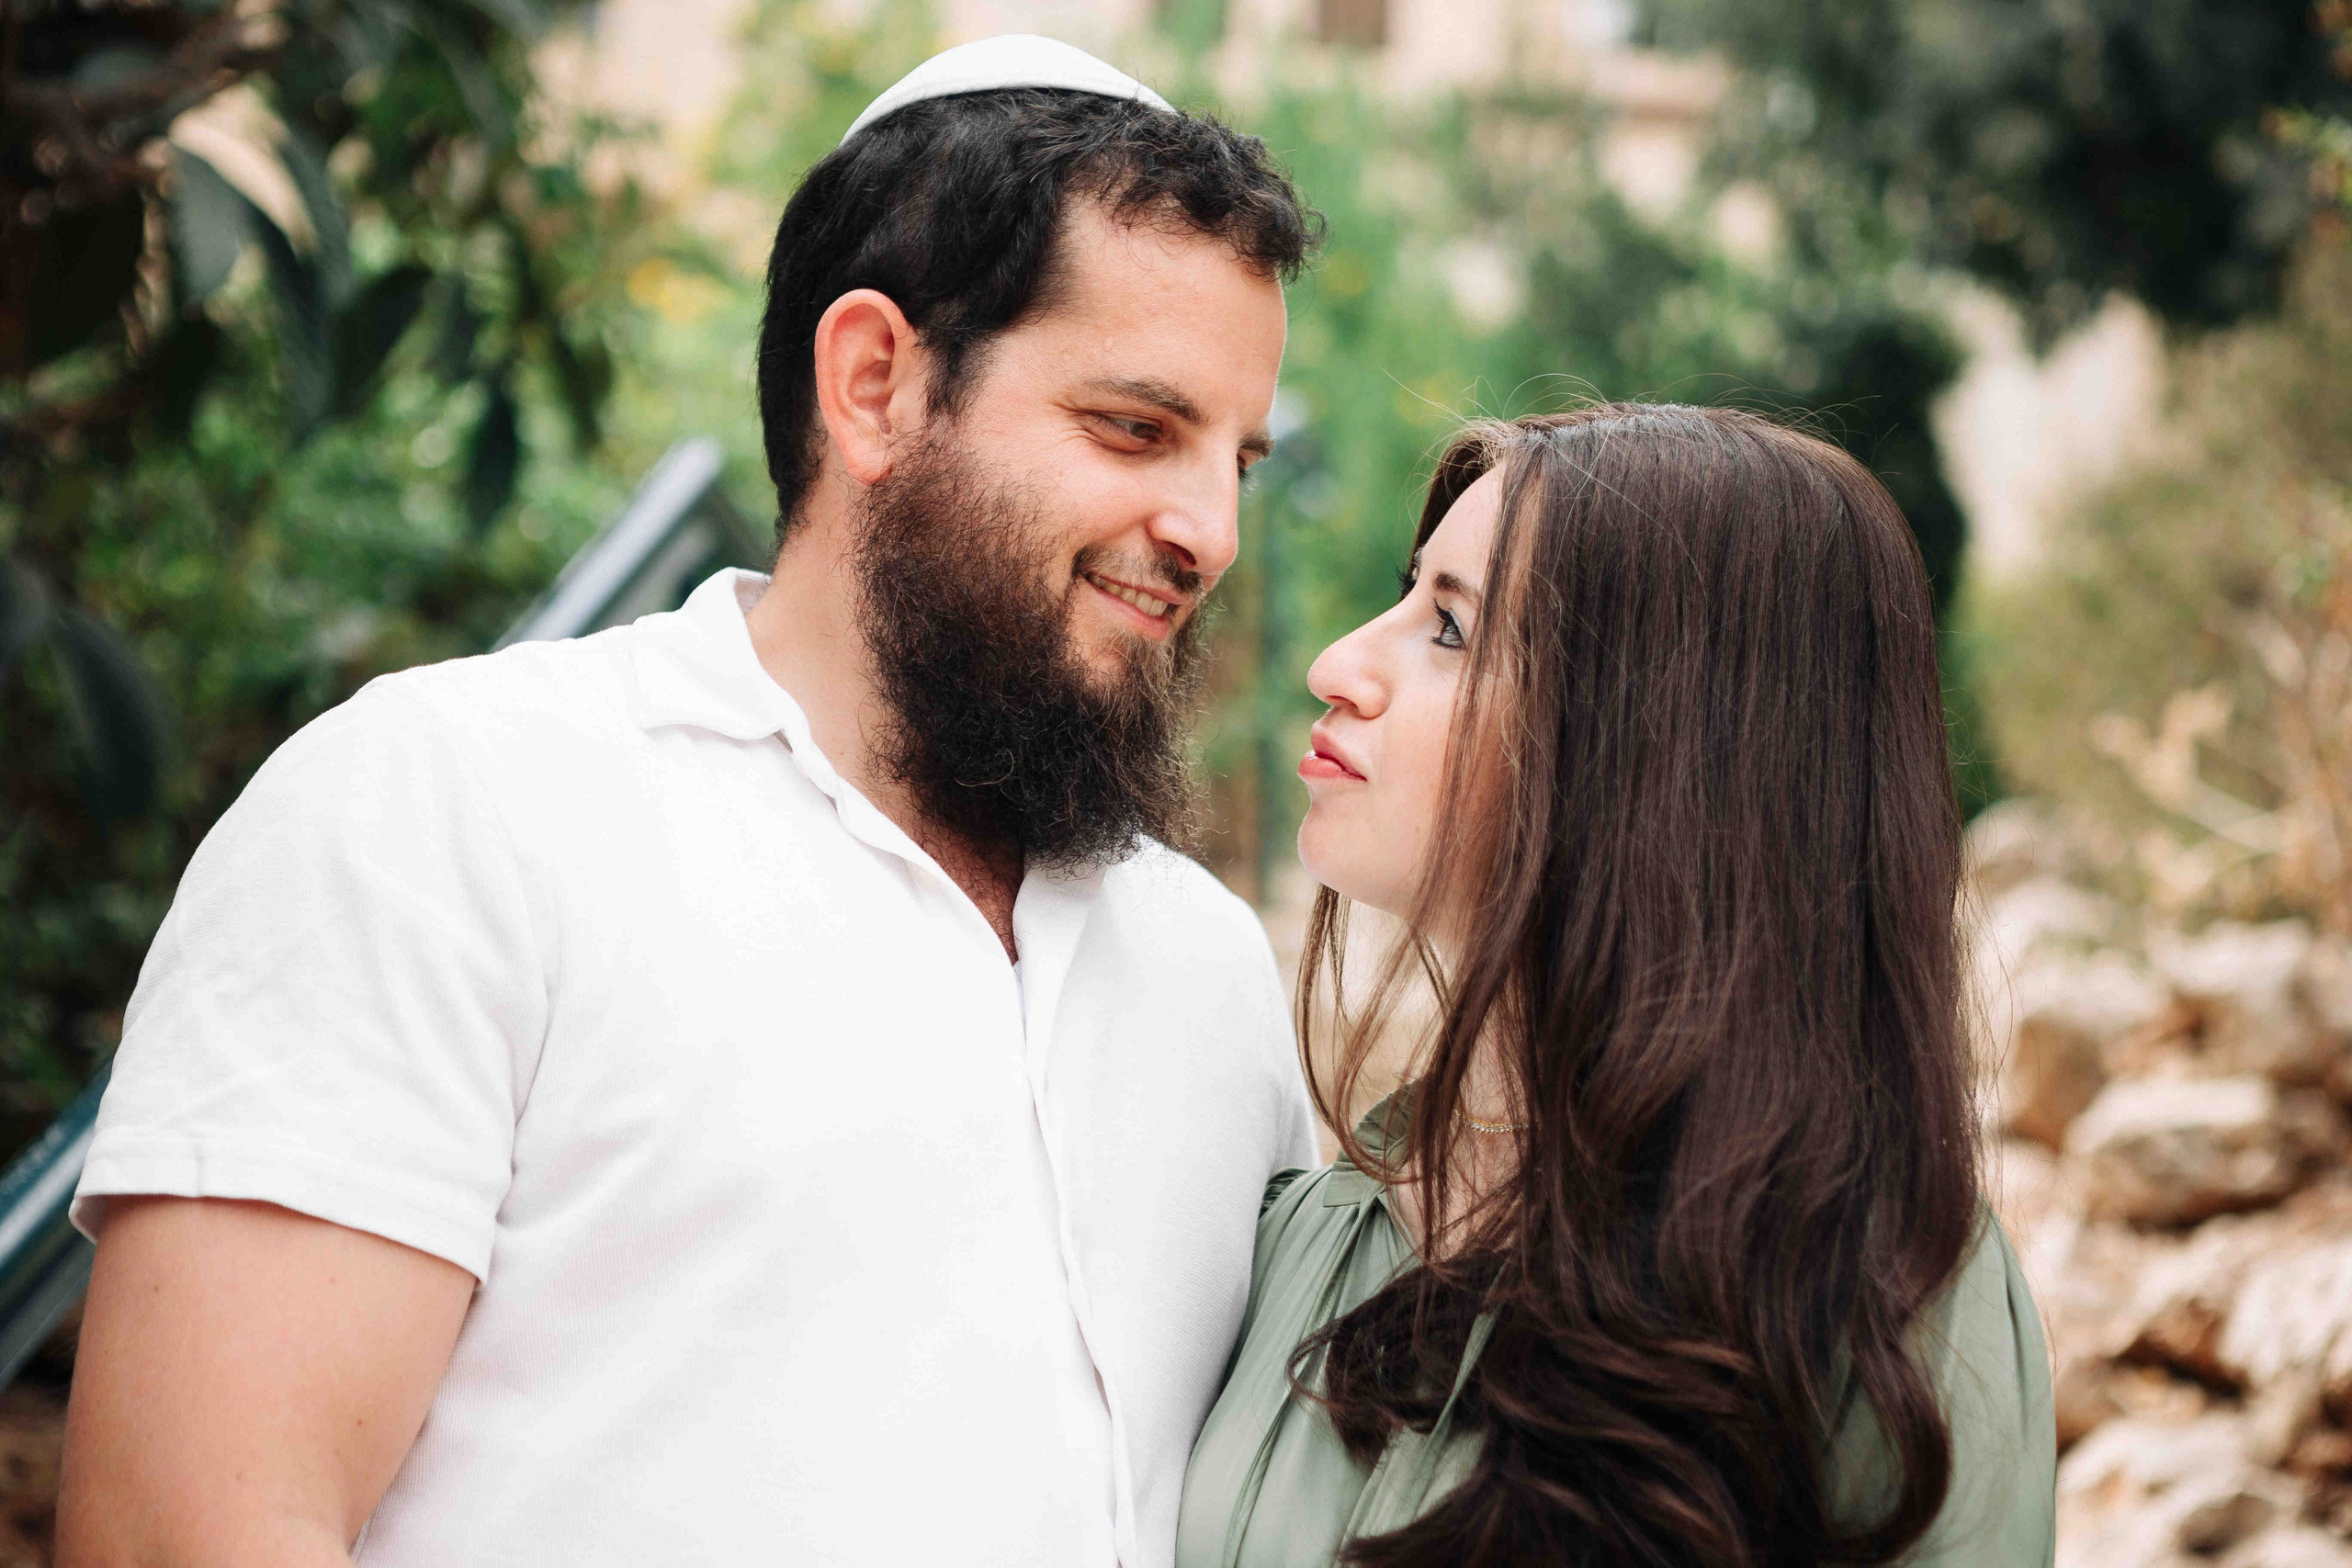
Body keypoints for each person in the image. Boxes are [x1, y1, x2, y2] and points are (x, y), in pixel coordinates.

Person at [60, 37, 1321, 1568]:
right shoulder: (444, 810)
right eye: (1135, 427)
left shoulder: (1207, 968)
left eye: (1237, 460)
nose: (1209, 531)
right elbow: (185, 1533)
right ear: (875, 383)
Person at [1178, 405, 2057, 1568]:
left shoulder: (1885, 1314)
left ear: (1658, 744)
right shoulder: (1303, 1241)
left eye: (1449, 628)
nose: (1335, 664)